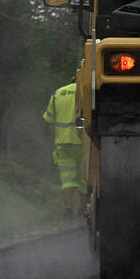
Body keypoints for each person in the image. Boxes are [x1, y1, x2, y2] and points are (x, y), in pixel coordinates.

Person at [43, 78, 85, 218]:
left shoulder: (58, 93)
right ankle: (82, 208)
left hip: (62, 143)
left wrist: (53, 140)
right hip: (83, 141)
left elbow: (49, 121)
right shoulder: (86, 92)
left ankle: (68, 208)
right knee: (84, 177)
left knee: (67, 178)